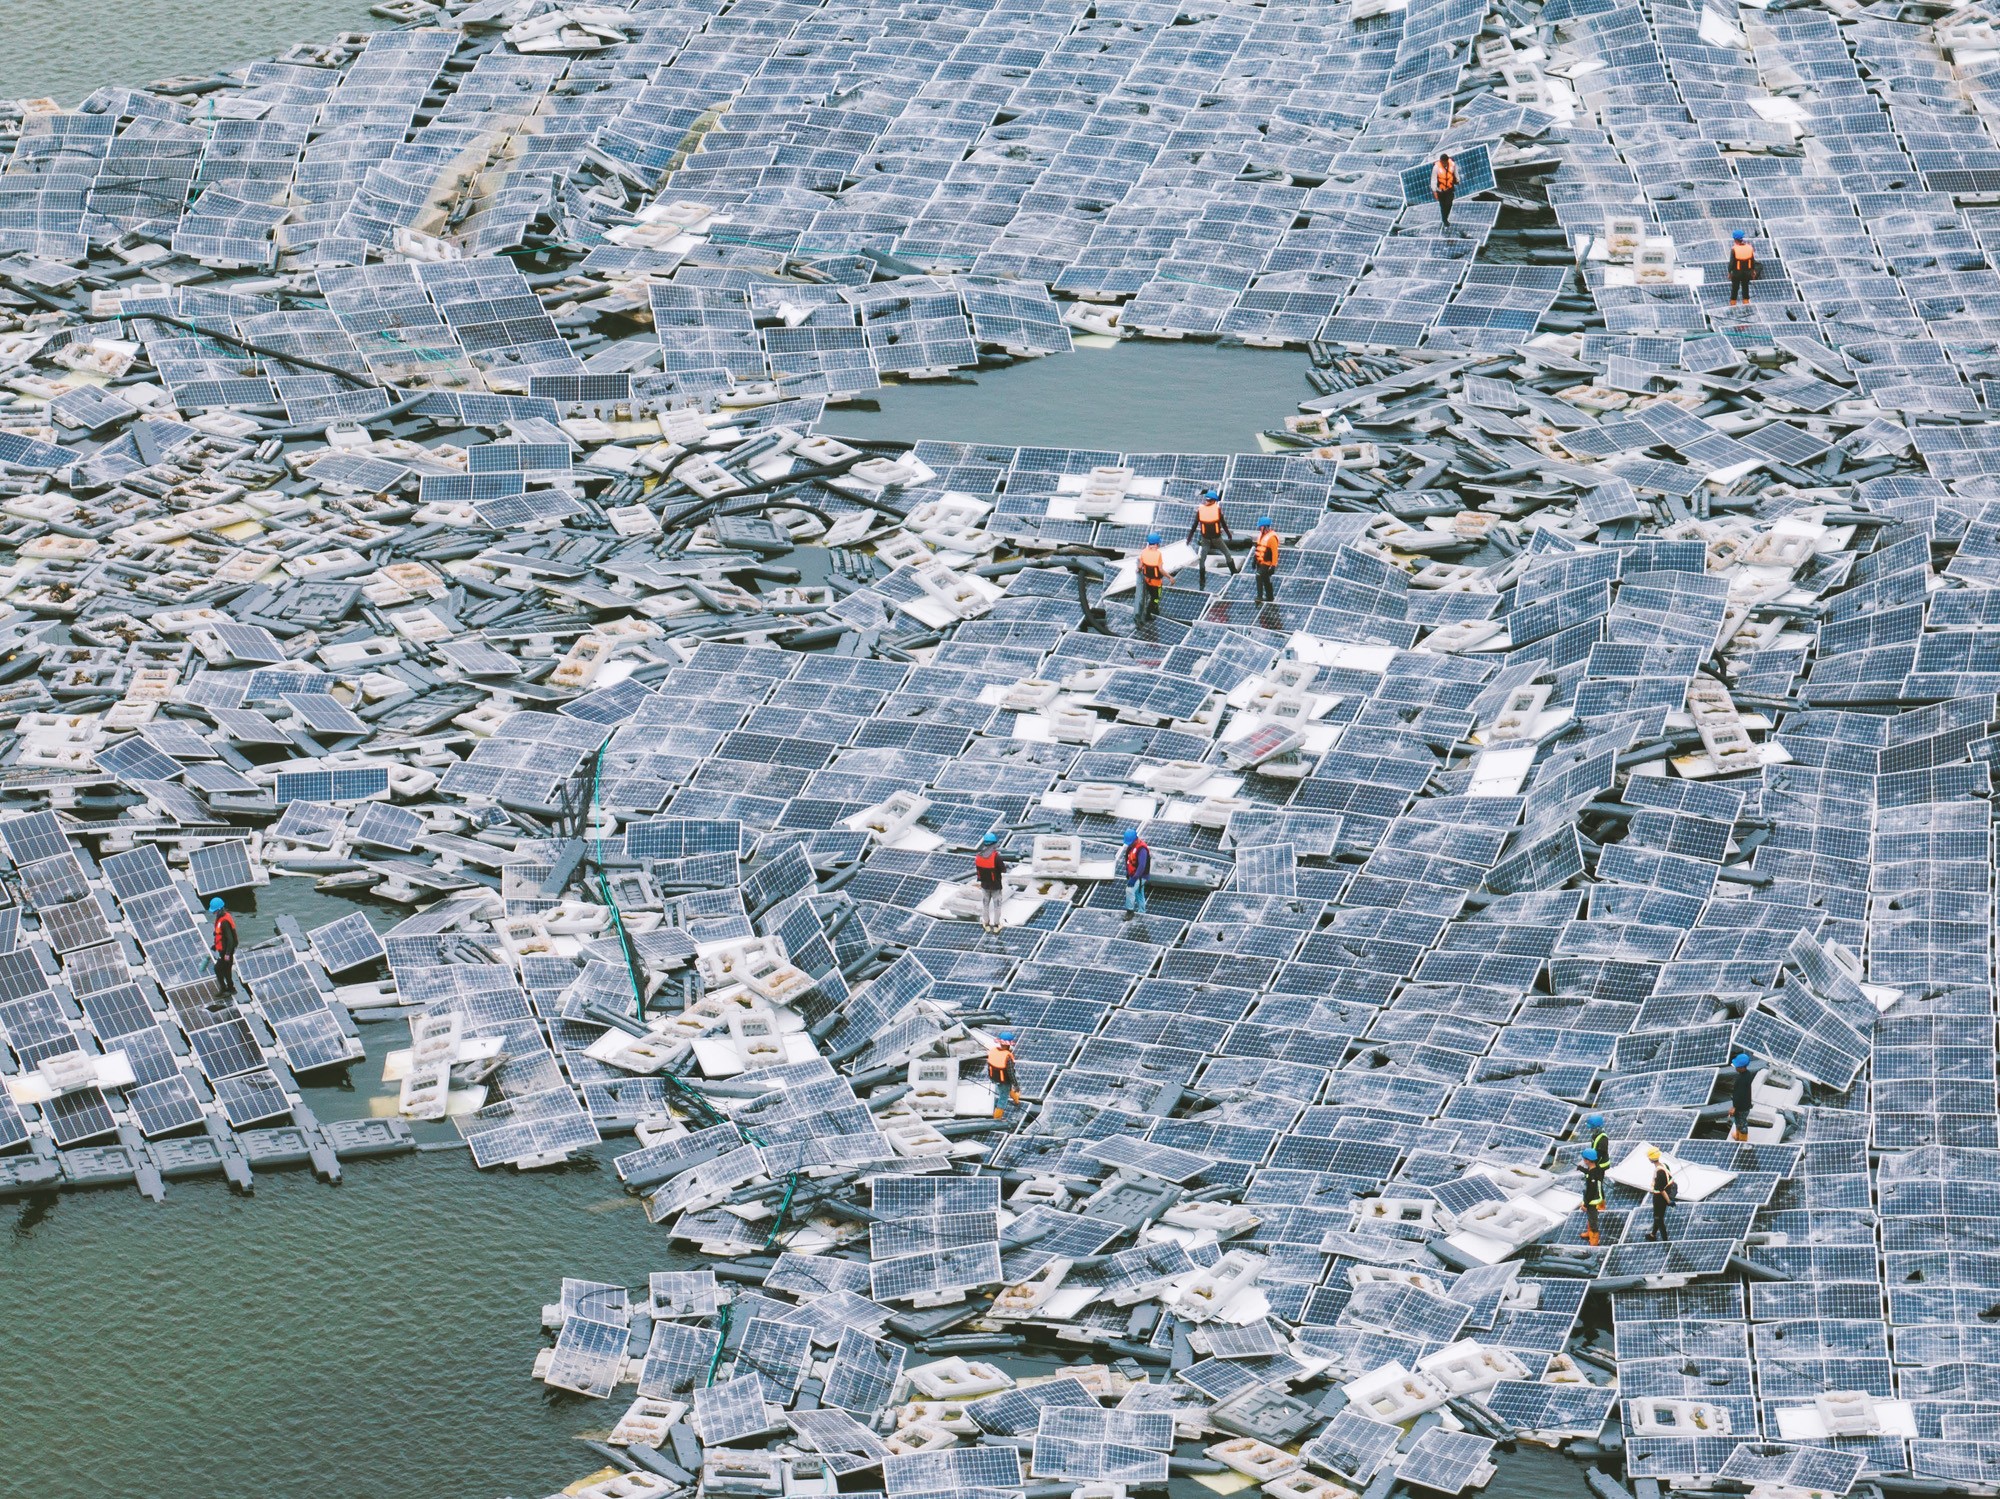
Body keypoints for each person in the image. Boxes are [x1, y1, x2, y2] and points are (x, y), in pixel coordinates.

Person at [1186, 489, 1237, 586]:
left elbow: (1194, 526)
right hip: (1216, 539)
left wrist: (1189, 538)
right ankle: (1233, 573)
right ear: (1214, 501)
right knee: (1227, 554)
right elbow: (1224, 524)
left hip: (1205, 539)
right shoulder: (1217, 510)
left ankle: (1202, 580)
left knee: (1202, 559)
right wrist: (1229, 535)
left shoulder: (1200, 510)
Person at [973, 831, 1006, 934]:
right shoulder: (997, 857)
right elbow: (1003, 869)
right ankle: (996, 925)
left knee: (985, 905)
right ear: (993, 844)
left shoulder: (978, 856)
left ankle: (986, 924)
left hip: (984, 886)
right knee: (997, 906)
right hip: (996, 887)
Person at [1135, 532, 1168, 626]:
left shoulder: (1143, 552)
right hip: (1157, 583)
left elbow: (1140, 566)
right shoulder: (1158, 554)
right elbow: (1161, 569)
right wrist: (1170, 577)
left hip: (1147, 581)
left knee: (1152, 595)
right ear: (1157, 543)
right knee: (1157, 597)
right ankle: (1149, 613)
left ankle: (1155, 607)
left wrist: (1137, 570)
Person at [986, 1030, 1020, 1118]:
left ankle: (1016, 1099)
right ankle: (997, 1118)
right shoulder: (1007, 1056)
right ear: (1009, 1044)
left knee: (1005, 1089)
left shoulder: (993, 1051)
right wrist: (1015, 1084)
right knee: (1003, 1099)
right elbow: (1011, 1073)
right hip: (1004, 1080)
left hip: (994, 1078)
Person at [1647, 1146, 1677, 1242]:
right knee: (1658, 1216)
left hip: (1660, 1198)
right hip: (1666, 1193)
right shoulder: (1664, 1165)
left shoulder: (1659, 1172)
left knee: (1658, 1219)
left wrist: (1668, 1201)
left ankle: (1665, 1241)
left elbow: (1660, 1189)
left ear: (1650, 1159)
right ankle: (1652, 1235)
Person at [209, 896, 238, 995]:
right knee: (225, 970)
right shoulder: (221, 917)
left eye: (215, 911)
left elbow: (230, 939)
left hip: (227, 951)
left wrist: (227, 953)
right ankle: (229, 988)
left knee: (219, 969)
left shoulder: (224, 921)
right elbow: (220, 936)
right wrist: (215, 946)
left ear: (220, 909)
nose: (214, 913)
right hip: (223, 950)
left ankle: (226, 989)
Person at [1579, 1147, 1607, 1247]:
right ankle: (1589, 1233)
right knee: (1590, 1217)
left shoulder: (1592, 1175)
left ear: (1587, 1160)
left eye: (1584, 1159)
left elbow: (1591, 1191)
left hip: (1592, 1200)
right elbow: (1590, 1172)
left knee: (1593, 1219)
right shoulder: (1596, 1168)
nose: (1583, 1161)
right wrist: (1582, 1169)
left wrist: (1585, 1204)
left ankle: (1594, 1240)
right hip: (1593, 1198)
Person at [1122, 828, 1151, 915]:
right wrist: (1128, 872)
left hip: (1140, 876)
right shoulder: (1131, 847)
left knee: (1129, 891)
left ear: (1135, 839)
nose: (1129, 845)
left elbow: (1142, 866)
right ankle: (1142, 912)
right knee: (1139, 894)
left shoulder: (1142, 849)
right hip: (1133, 874)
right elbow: (1128, 859)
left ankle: (1130, 911)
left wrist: (1134, 878)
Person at [1253, 517, 1280, 603]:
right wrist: (1254, 560)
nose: (1259, 528)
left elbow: (1275, 553)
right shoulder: (1261, 535)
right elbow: (1258, 548)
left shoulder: (1272, 538)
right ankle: (1270, 597)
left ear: (1265, 527)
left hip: (1267, 563)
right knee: (1265, 579)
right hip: (1259, 562)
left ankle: (1259, 597)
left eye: (1260, 526)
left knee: (1259, 576)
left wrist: (1273, 566)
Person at [1727, 231, 1756, 308]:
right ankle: (1746, 304)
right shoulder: (1749, 248)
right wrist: (1753, 271)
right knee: (1745, 287)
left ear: (1735, 239)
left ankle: (1733, 305)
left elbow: (1731, 263)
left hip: (1737, 273)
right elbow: (1752, 261)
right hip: (1747, 272)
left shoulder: (1734, 249)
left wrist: (1729, 272)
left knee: (1735, 288)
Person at [1730, 1053, 1754, 1142]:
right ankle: (1737, 1136)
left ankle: (1743, 1140)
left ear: (1742, 1067)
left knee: (1742, 1123)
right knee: (1738, 1121)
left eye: (1737, 1066)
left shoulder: (1741, 1080)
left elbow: (1740, 1095)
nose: (1735, 1068)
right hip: (1745, 1104)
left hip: (1741, 1107)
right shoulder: (1747, 1074)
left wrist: (1734, 1107)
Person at [1433, 152, 1458, 231]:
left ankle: (1445, 218)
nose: (1444, 164)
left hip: (1449, 188)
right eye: (1442, 162)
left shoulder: (1452, 164)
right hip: (1440, 190)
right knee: (1443, 206)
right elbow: (1433, 180)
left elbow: (1455, 173)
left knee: (1449, 204)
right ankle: (1445, 220)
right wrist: (1434, 191)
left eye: (1445, 162)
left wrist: (1457, 179)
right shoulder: (1436, 167)